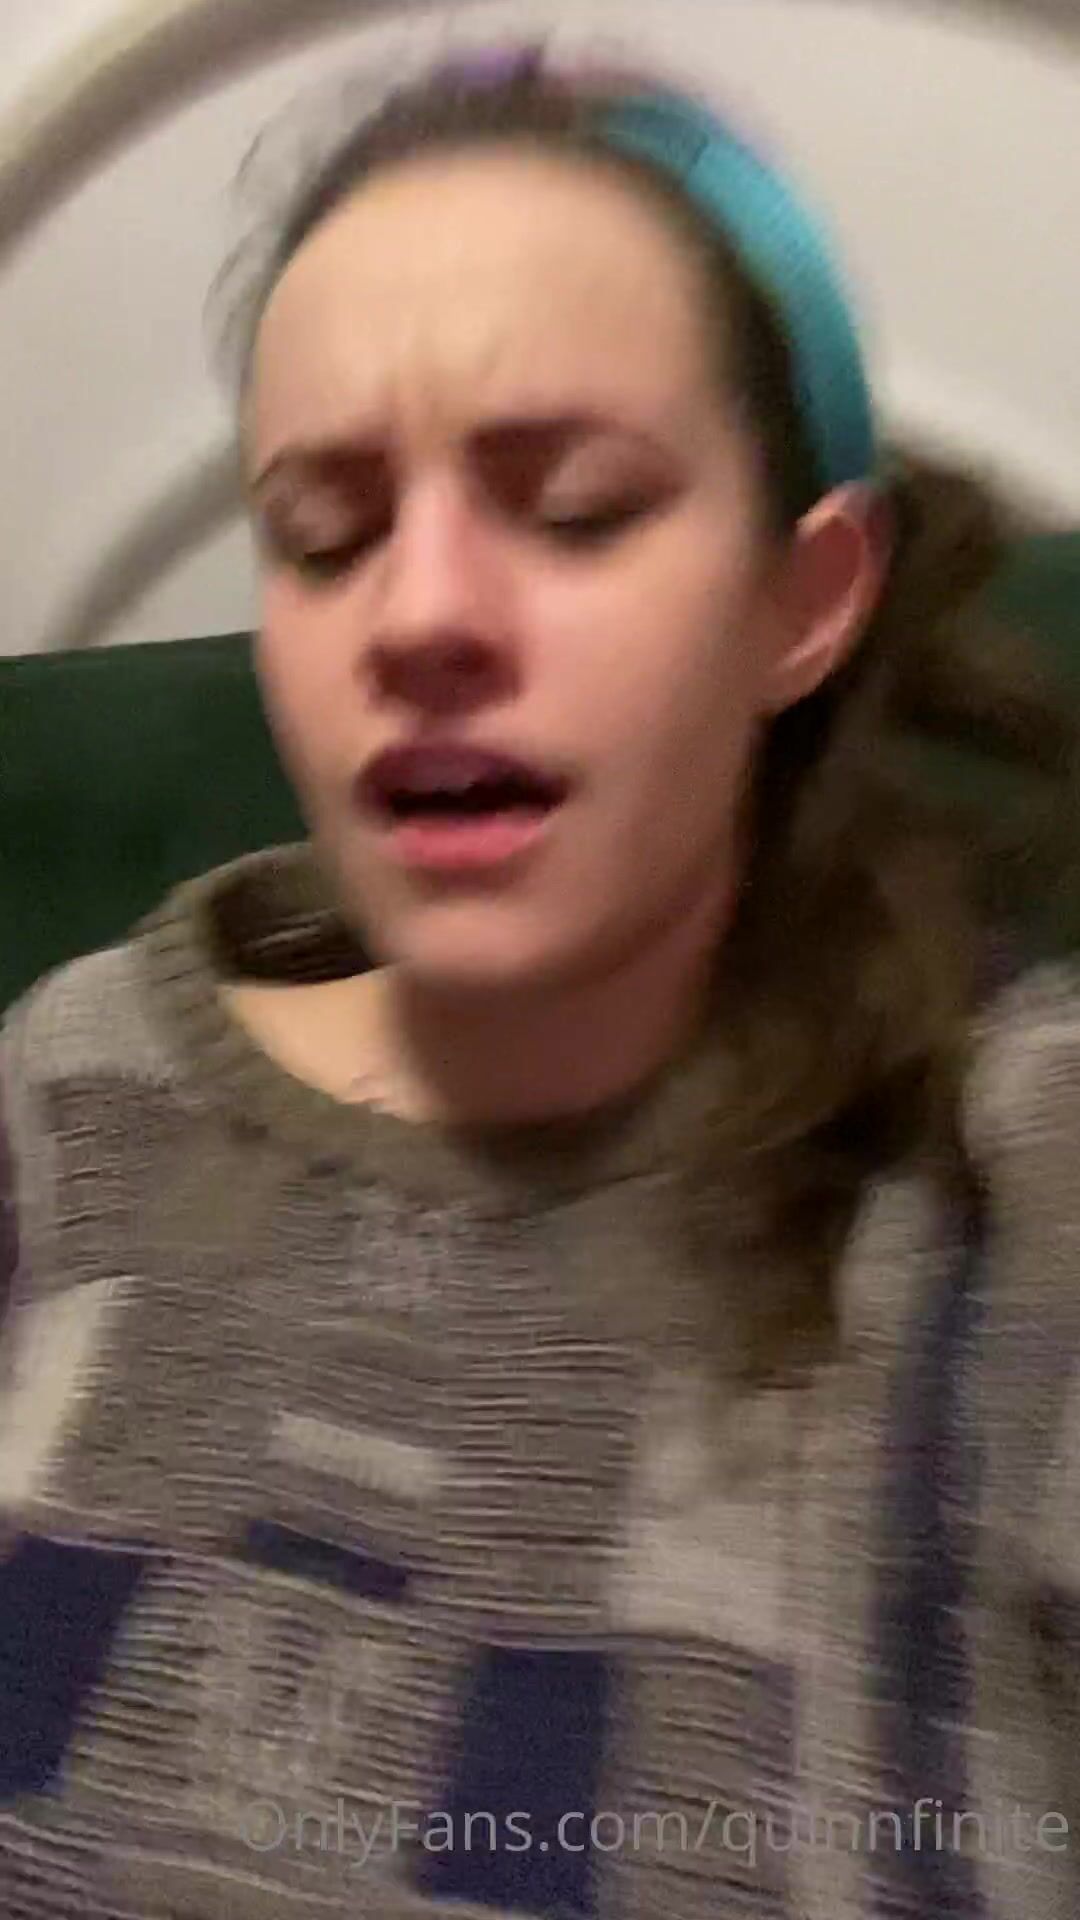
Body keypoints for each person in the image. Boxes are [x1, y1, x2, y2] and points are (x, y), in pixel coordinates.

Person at [1, 41, 1079, 1920]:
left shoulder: (1023, 1158)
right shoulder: (68, 1078)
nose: (419, 615)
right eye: (324, 534)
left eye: (575, 507)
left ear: (803, 601)